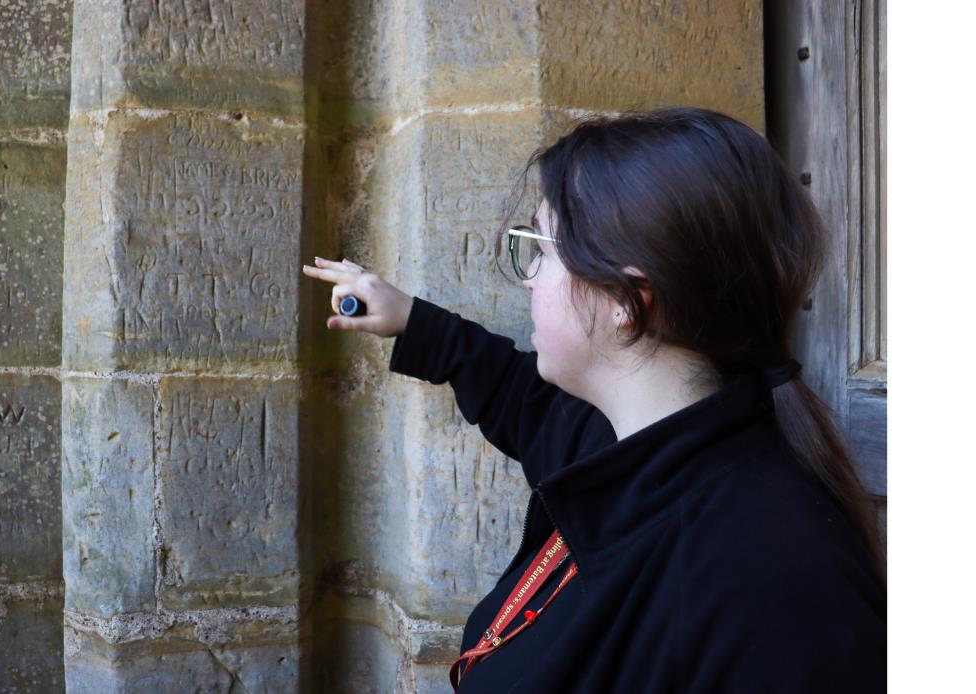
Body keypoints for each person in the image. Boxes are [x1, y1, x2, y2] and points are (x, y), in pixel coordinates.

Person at [301, 106, 886, 692]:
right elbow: (520, 398)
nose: (528, 276)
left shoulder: (777, 593)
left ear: (626, 303)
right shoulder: (627, 436)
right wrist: (414, 322)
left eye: (542, 250)